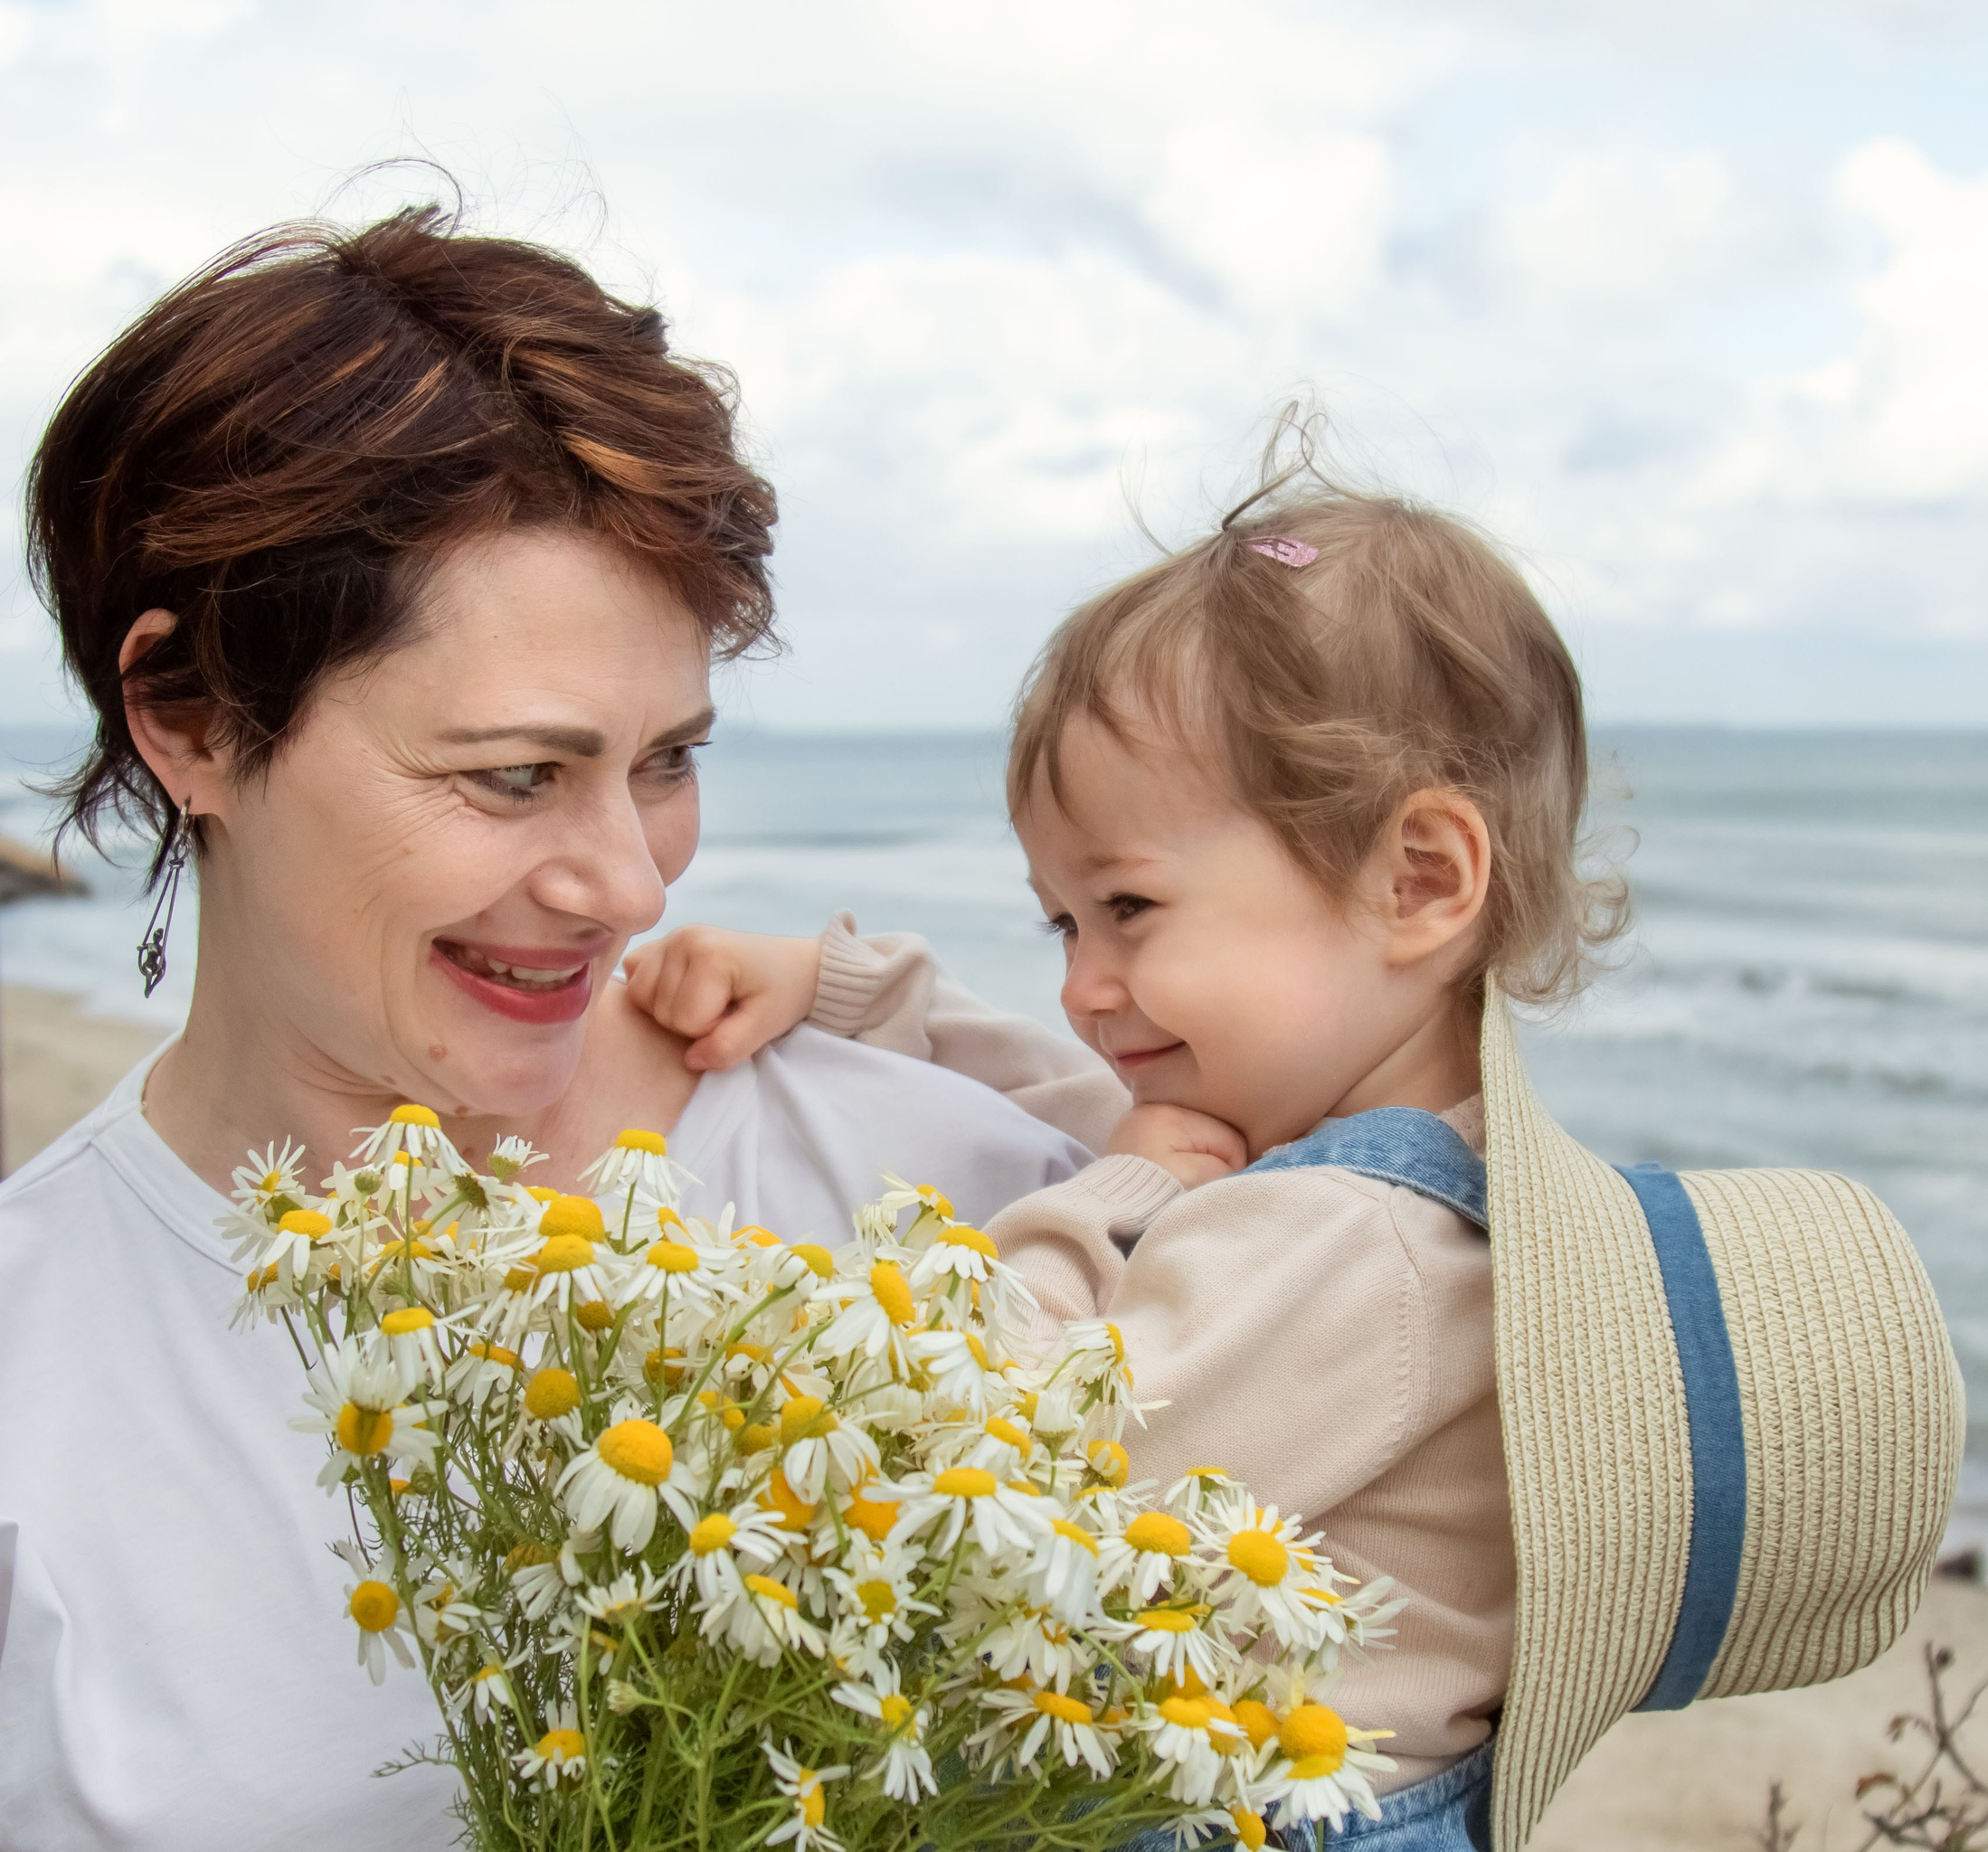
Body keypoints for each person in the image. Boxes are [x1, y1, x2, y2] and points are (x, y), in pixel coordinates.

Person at [0, 209, 1092, 1852]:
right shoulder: (37, 1374)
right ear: (190, 718)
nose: (626, 885)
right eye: (514, 774)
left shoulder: (974, 1197)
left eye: (666, 761)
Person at [623, 477, 1629, 1847]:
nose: (1086, 989)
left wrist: (1113, 1196)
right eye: (1061, 927)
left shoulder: (1356, 1251)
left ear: (1420, 883)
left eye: (1129, 910)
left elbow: (986, 1459)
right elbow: (1115, 1104)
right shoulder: (1337, 1161)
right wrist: (853, 987)